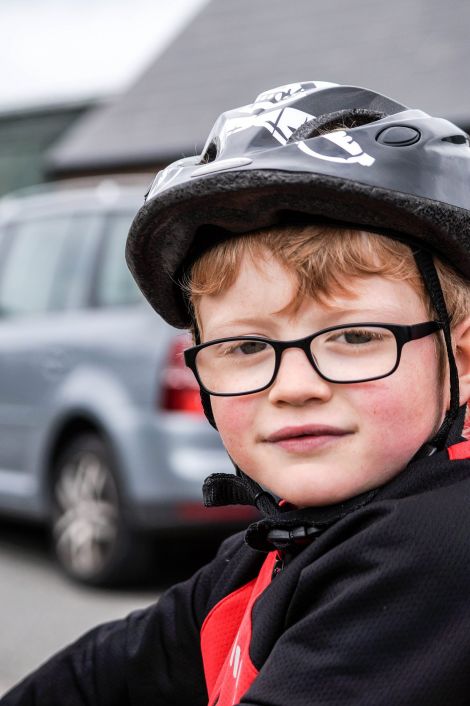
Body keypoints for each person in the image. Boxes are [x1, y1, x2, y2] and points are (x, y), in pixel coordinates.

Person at [3, 80, 470, 705]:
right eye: (246, 348)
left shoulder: (435, 550)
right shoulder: (276, 551)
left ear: (461, 356)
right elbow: (101, 673)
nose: (295, 387)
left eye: (356, 337)